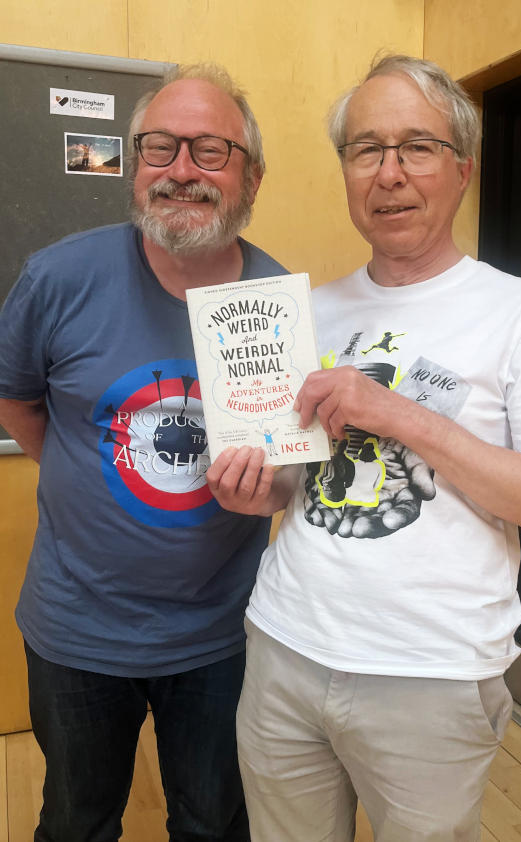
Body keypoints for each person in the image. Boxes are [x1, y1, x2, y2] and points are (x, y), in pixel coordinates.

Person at [206, 54, 521, 842]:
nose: (389, 173)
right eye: (366, 149)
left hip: (432, 674)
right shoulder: (308, 310)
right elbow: (293, 483)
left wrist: (399, 416)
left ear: (462, 170)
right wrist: (257, 489)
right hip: (285, 642)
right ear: (346, 170)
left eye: (416, 147)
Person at [0, 62, 286, 842]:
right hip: (76, 629)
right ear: (132, 168)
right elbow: (19, 402)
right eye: (159, 149)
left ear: (251, 177)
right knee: (76, 822)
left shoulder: (278, 303)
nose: (181, 170)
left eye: (209, 150)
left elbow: (289, 462)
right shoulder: (57, 278)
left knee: (214, 822)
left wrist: (275, 488)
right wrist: (76, 468)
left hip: (222, 633)